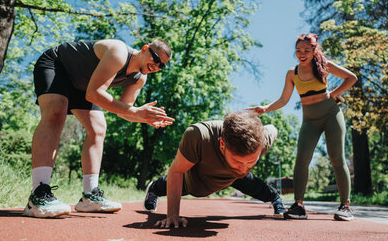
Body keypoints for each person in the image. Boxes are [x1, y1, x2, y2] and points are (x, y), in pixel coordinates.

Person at [24, 39, 175, 218]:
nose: (156, 66)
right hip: (58, 66)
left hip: (84, 85)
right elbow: (94, 94)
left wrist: (143, 118)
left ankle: (89, 197)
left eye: (162, 66)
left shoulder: (140, 78)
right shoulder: (119, 52)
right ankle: (38, 195)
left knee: (98, 128)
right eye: (156, 59)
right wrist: (135, 112)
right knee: (56, 114)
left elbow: (124, 110)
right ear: (144, 49)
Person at [247, 33, 357, 221]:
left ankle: (345, 206)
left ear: (314, 51)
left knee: (336, 158)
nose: (302, 53)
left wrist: (333, 93)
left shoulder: (325, 65)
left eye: (306, 50)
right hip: (310, 121)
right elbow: (283, 99)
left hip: (331, 115)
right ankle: (298, 206)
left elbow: (351, 78)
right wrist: (265, 108)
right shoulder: (293, 73)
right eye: (298, 50)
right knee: (302, 159)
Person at [143, 111, 287, 228]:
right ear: (222, 144)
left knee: (248, 179)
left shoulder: (260, 140)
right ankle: (154, 188)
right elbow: (176, 171)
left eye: (250, 162)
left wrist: (262, 113)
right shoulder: (199, 135)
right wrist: (172, 215)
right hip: (198, 177)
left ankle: (275, 199)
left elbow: (273, 129)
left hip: (232, 178)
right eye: (237, 161)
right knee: (188, 185)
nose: (244, 167)